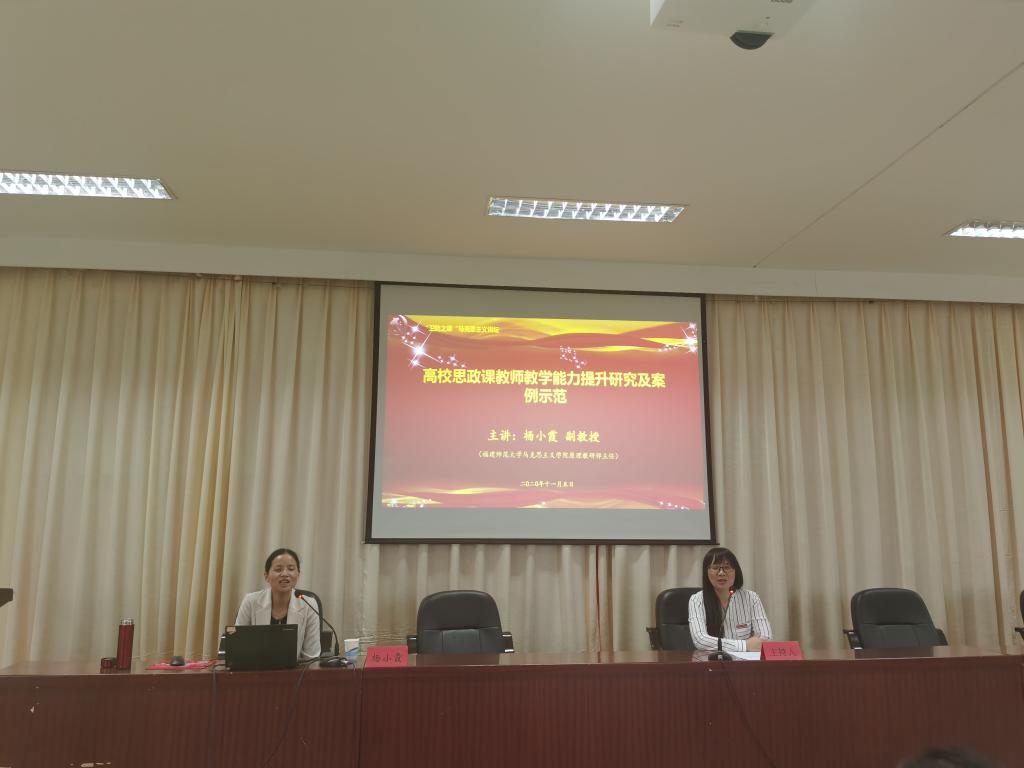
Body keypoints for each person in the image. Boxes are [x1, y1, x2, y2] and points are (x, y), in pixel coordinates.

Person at [235, 548, 321, 660]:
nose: (285, 574)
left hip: (297, 670)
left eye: (291, 569)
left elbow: (311, 657)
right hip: (256, 668)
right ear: (266, 576)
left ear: (298, 575)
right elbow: (238, 646)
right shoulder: (250, 601)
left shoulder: (309, 604)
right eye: (278, 569)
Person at [688, 546, 771, 653]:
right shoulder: (697, 600)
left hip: (746, 661)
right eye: (715, 568)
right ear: (706, 572)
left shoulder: (751, 598)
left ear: (736, 571)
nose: (721, 573)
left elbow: (765, 638)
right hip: (711, 660)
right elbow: (700, 640)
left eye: (727, 567)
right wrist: (744, 645)